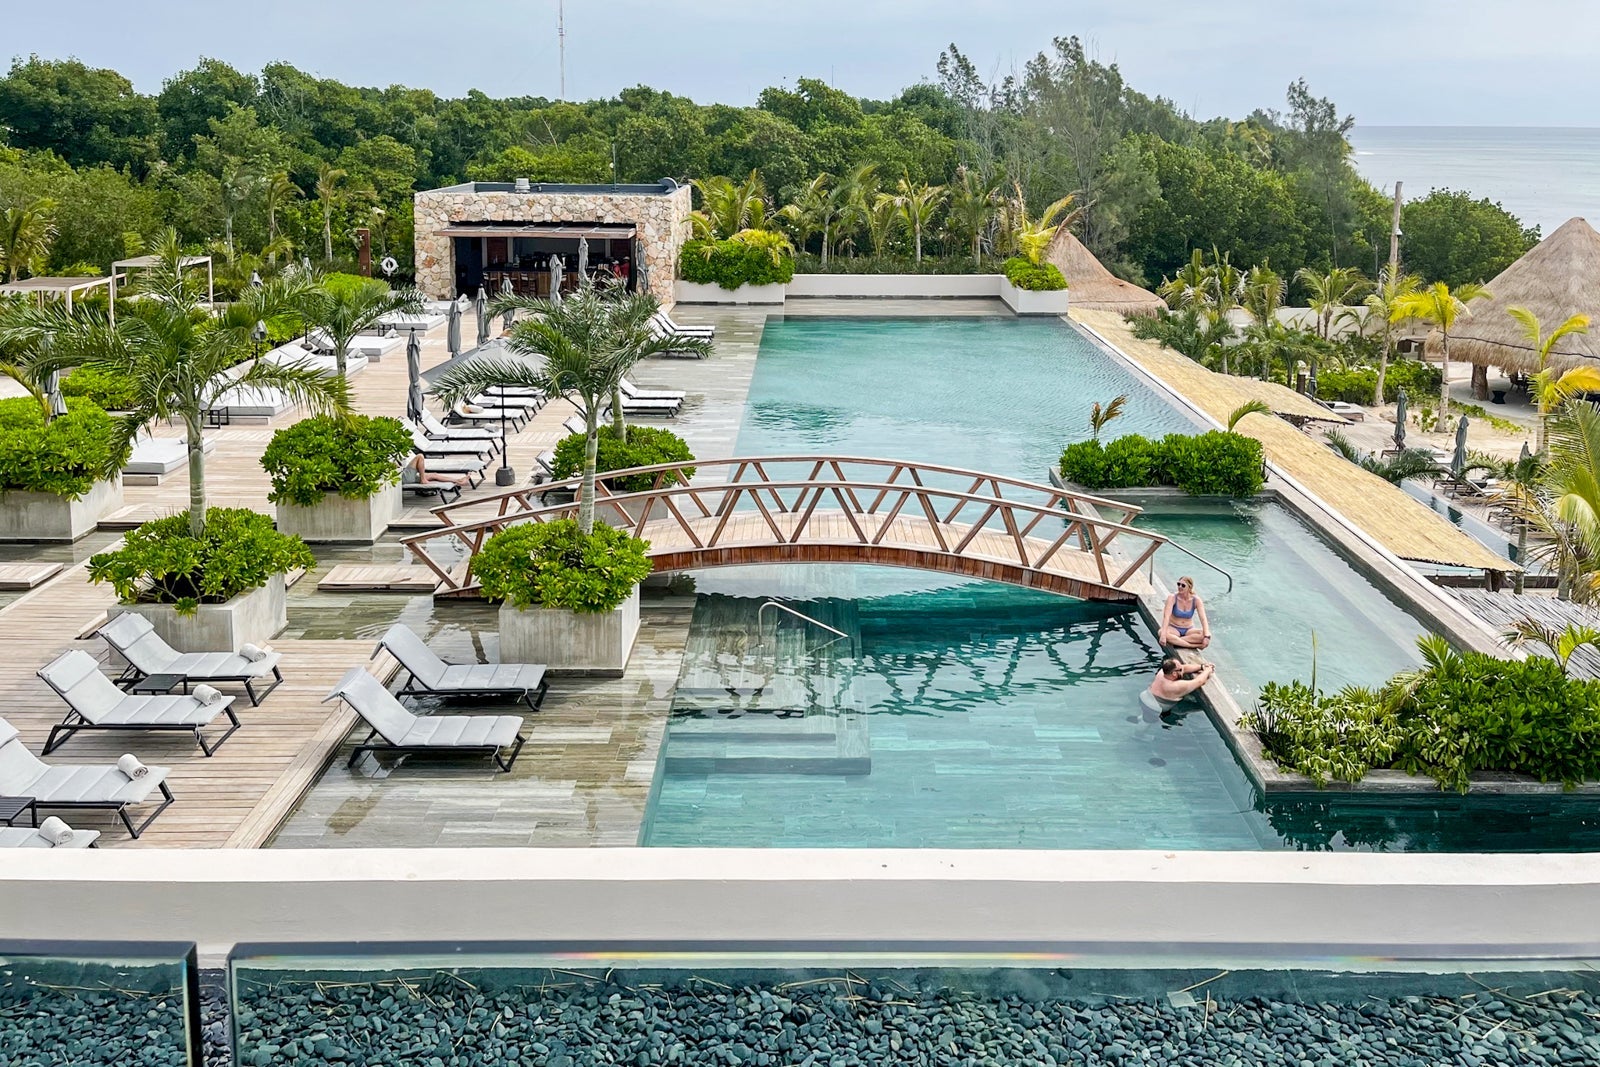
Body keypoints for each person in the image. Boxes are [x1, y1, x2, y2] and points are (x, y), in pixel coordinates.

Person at [1160, 576, 1212, 649]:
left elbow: (1203, 619)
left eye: (1183, 585)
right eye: (1178, 584)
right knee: (1161, 632)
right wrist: (1163, 635)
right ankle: (1192, 645)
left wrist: (1206, 636)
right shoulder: (1172, 597)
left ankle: (1178, 642)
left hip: (1189, 629)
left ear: (1189, 587)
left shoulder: (1196, 600)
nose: (1180, 587)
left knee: (1205, 634)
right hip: (1174, 628)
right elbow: (1166, 617)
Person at [1147, 657, 1214, 709]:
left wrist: (1202, 666)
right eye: (1180, 669)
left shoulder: (1162, 672)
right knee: (1192, 707)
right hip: (1157, 706)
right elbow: (1200, 681)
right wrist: (1208, 670)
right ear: (1174, 673)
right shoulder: (1175, 686)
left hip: (1146, 697)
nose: (1183, 669)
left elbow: (1184, 667)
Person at [401, 453, 469, 489]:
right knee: (420, 456)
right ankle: (423, 480)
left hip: (404, 476)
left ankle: (458, 481)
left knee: (434, 475)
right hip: (403, 477)